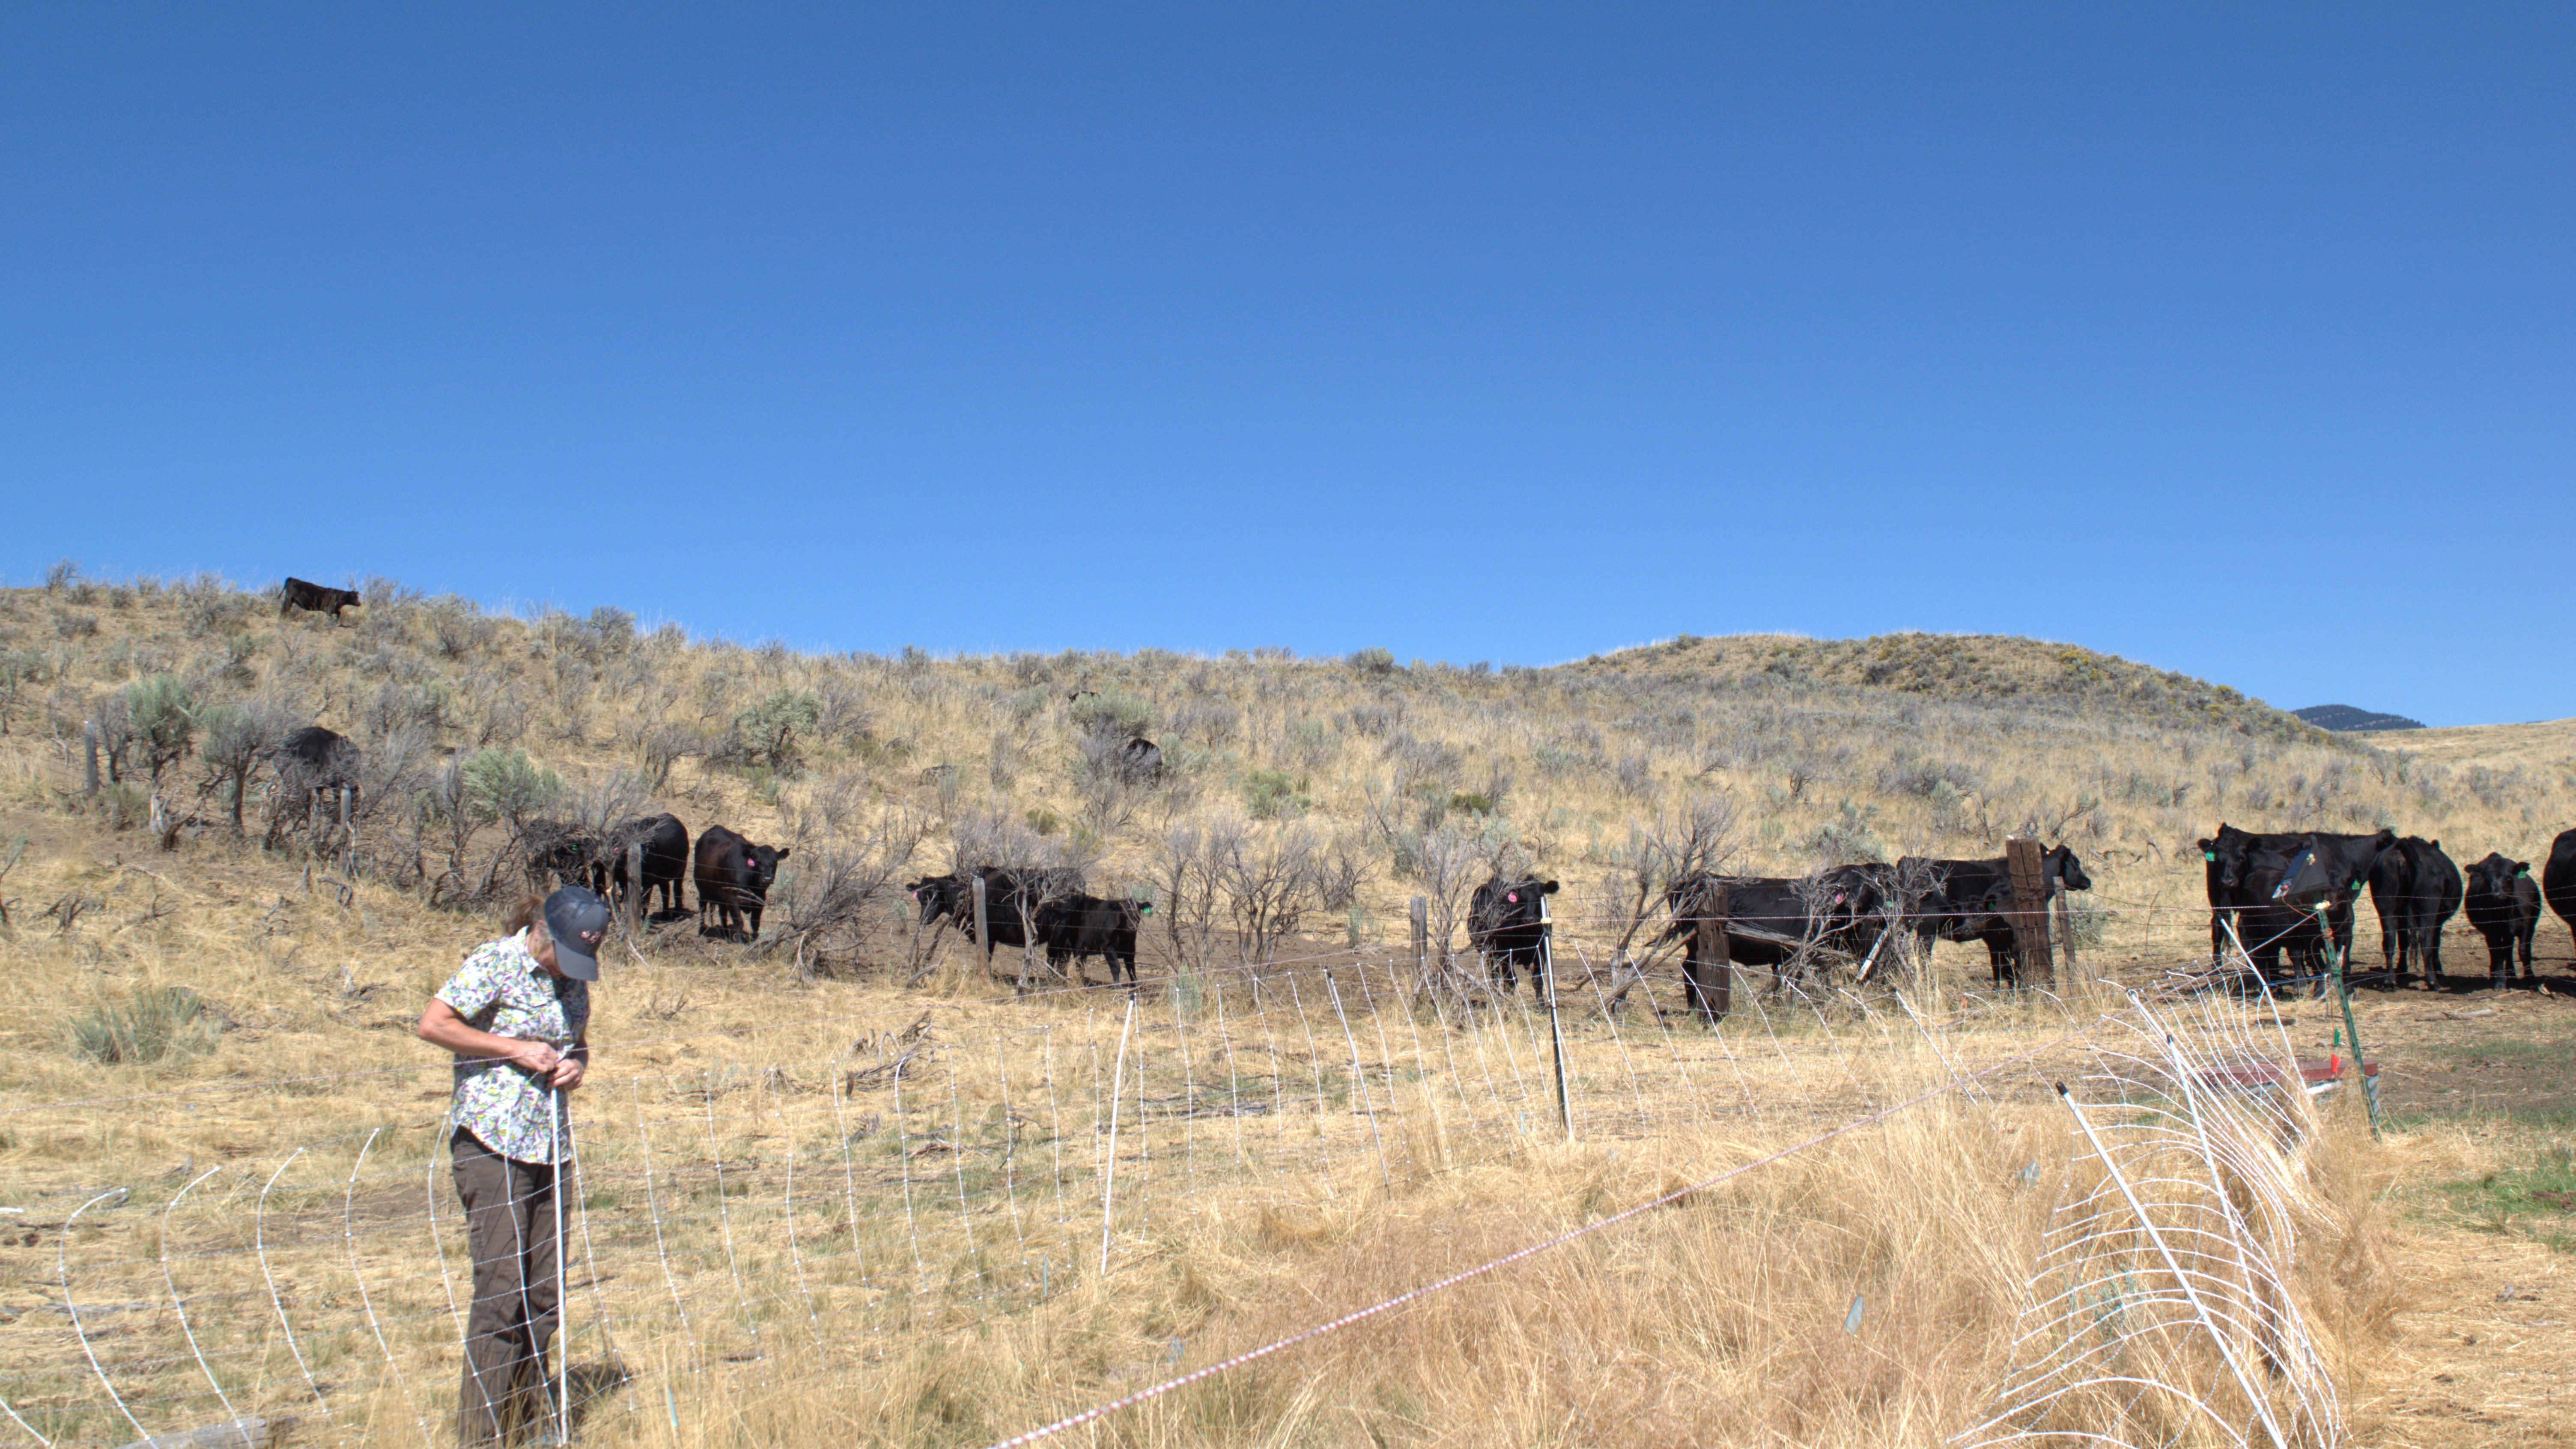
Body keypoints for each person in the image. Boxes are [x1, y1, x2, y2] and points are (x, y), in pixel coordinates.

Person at [416, 887, 610, 1445]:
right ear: (543, 933)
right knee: (501, 1293)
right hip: (492, 1143)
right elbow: (434, 1024)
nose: (570, 970)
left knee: (544, 1295)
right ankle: (481, 1434)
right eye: (565, 956)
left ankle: (528, 1422)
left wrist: (577, 1065)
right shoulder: (495, 963)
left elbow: (578, 1043)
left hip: (551, 1145)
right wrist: (511, 1048)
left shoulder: (572, 977)